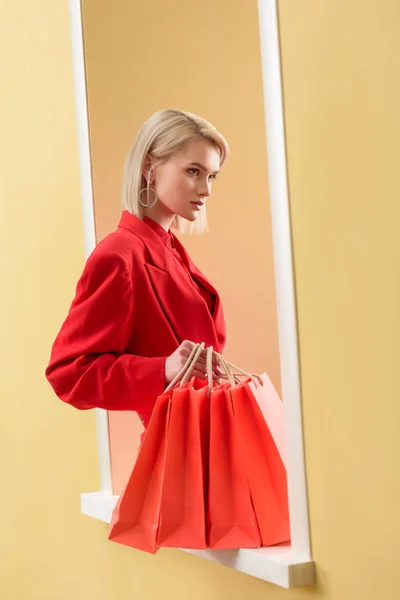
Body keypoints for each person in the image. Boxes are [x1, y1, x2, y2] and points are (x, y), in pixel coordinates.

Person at [45, 108, 229, 431]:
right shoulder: (119, 257)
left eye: (211, 176)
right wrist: (162, 369)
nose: (207, 190)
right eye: (193, 171)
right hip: (174, 455)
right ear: (149, 167)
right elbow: (69, 372)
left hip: (211, 446)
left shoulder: (172, 251)